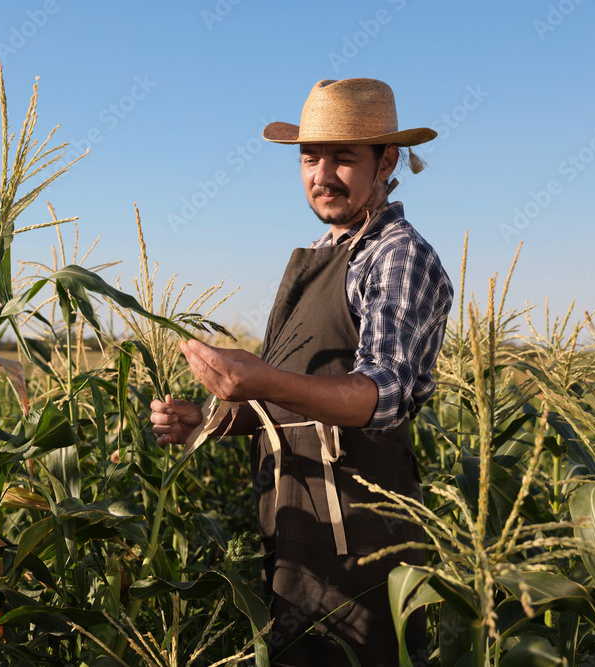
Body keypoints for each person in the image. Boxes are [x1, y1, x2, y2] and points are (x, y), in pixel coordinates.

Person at [150, 78, 453, 665]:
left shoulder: (396, 255)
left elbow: (380, 394)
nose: (322, 174)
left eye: (343, 158)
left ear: (386, 160)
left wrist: (260, 379)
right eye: (310, 157)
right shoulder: (319, 253)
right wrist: (213, 421)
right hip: (295, 533)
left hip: (362, 543)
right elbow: (290, 403)